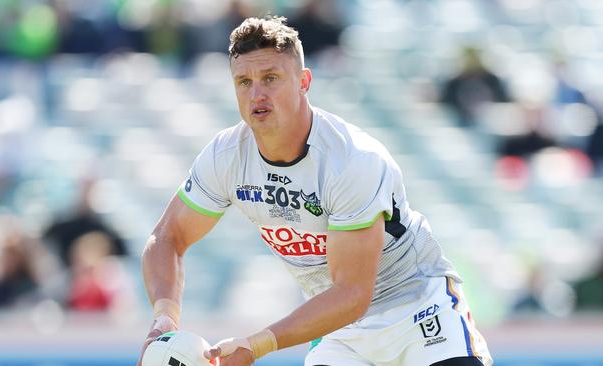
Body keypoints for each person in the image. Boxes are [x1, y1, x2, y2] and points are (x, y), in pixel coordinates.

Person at [138, 16, 492, 366]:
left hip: (416, 309)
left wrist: (257, 345)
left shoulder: (351, 160)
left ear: (304, 81)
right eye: (243, 82)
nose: (256, 94)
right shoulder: (226, 156)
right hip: (341, 332)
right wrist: (164, 316)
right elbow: (168, 237)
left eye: (270, 78)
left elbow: (353, 293)